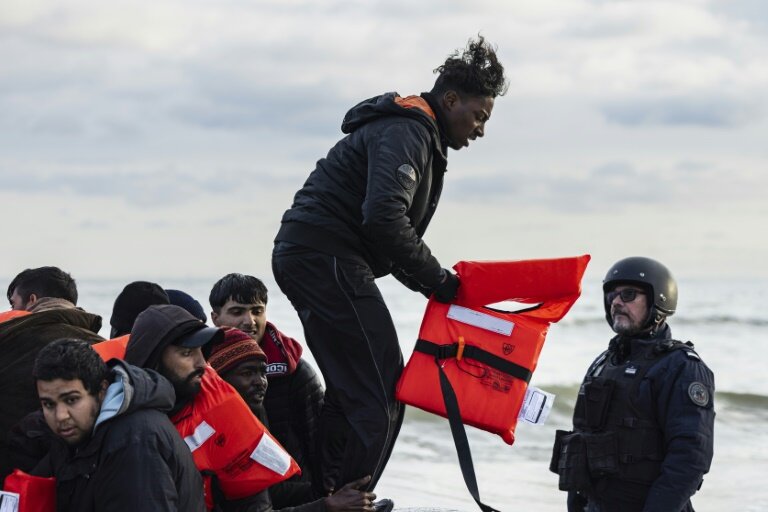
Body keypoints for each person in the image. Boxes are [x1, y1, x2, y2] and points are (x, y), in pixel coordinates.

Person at [271, 36, 507, 497]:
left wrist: (438, 287)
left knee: (350, 391)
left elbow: (386, 234)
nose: (480, 130)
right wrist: (439, 282)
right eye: (478, 116)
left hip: (317, 254)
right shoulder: (409, 132)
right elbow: (383, 219)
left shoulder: (414, 130)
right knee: (381, 394)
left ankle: (321, 495)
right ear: (451, 100)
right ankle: (348, 500)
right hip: (325, 256)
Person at [126, 305, 377, 512]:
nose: (202, 364)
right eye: (186, 353)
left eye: (201, 352)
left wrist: (326, 502)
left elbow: (257, 506)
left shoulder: (229, 416)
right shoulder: (123, 427)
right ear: (154, 358)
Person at [551, 257, 715, 512]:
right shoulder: (603, 363)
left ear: (658, 300)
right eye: (612, 296)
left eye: (628, 295)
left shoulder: (681, 367)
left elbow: (690, 460)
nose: (616, 302)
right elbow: (580, 445)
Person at [29, 338, 206, 511]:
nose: (60, 416)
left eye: (71, 400)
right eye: (49, 404)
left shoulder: (134, 441)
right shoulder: (76, 434)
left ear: (102, 390)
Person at [209, 273, 324, 492]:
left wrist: (325, 496)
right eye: (237, 312)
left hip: (296, 489)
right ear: (215, 318)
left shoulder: (296, 371)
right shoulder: (202, 371)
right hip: (232, 492)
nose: (249, 321)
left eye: (257, 311)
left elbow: (319, 441)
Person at [0, 268, 103, 481]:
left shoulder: (7, 340)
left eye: (13, 303)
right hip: (81, 481)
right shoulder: (101, 347)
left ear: (32, 300)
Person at [6, 266, 78, 311]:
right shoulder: (87, 331)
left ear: (32, 300)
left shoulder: (22, 334)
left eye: (13, 305)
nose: (12, 311)